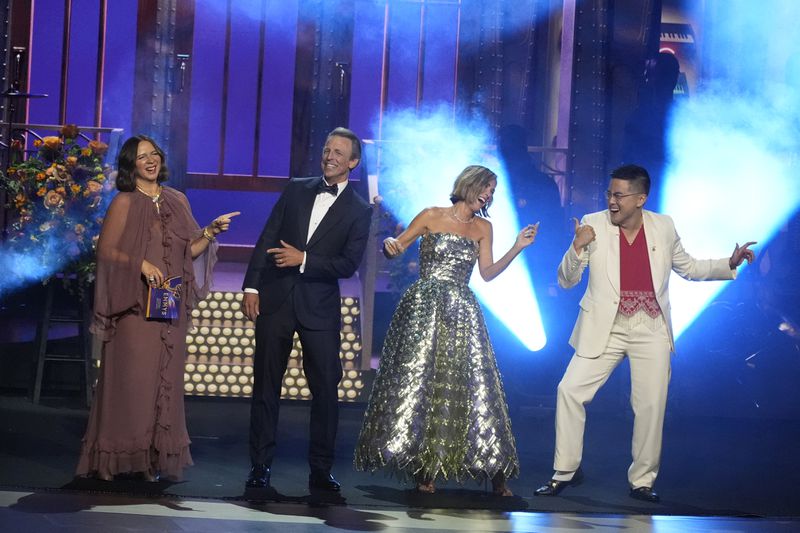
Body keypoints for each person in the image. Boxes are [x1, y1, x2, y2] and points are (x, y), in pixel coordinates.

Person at [533, 164, 755, 502]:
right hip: (605, 326)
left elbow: (690, 267)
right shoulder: (592, 224)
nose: (611, 201)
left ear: (640, 198)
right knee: (569, 390)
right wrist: (577, 248)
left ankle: (642, 481)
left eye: (619, 195)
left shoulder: (663, 226)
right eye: (609, 194)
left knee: (650, 404)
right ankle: (565, 471)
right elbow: (566, 280)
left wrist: (730, 262)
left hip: (650, 327)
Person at [354, 165, 539, 496]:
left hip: (462, 312)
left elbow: (487, 273)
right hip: (425, 308)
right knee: (422, 382)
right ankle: (424, 469)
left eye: (493, 190)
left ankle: (493, 471)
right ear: (469, 185)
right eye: (486, 186)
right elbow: (398, 244)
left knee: (469, 384)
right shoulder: (431, 214)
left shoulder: (484, 227)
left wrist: (517, 247)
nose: (489, 194)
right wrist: (391, 247)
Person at [76, 135, 239, 481]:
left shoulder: (177, 200)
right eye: (141, 157)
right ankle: (117, 459)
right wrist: (142, 265)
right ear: (130, 165)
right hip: (135, 310)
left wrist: (209, 231)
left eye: (153, 154)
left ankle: (150, 460)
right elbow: (106, 252)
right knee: (132, 384)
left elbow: (187, 253)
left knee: (162, 385)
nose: (150, 161)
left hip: (168, 308)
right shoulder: (124, 202)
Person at [241, 127, 372, 493]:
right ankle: (260, 465)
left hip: (319, 309)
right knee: (266, 386)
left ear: (353, 163)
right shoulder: (297, 187)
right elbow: (268, 236)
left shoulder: (360, 211)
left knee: (326, 391)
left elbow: (347, 264)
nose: (329, 156)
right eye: (327, 149)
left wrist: (304, 260)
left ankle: (320, 470)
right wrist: (251, 285)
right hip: (276, 299)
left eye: (338, 152)